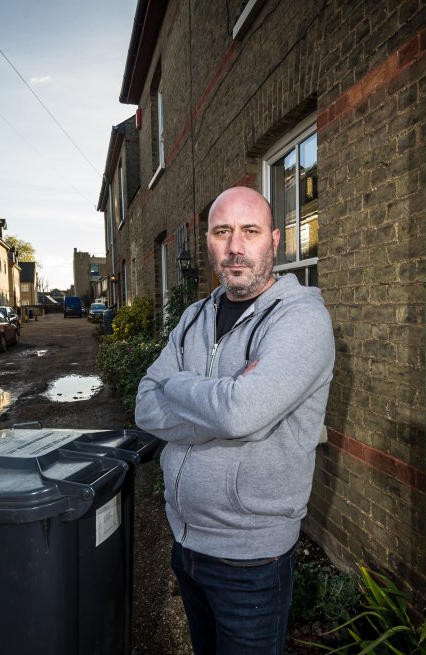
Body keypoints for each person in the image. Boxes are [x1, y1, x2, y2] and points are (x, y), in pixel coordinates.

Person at [135, 186, 335, 654]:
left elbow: (241, 411)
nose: (236, 247)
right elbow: (146, 405)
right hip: (186, 545)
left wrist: (179, 386)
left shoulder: (301, 320)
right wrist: (225, 407)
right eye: (222, 232)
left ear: (275, 241)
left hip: (251, 560)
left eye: (251, 231)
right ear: (208, 241)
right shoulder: (193, 317)